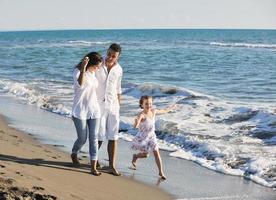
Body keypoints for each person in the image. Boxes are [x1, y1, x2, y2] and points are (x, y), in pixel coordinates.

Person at [71, 52, 103, 176]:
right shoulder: (78, 71)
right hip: (80, 110)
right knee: (82, 138)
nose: (98, 69)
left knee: (94, 138)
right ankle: (74, 152)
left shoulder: (93, 72)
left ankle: (93, 166)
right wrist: (84, 68)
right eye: (96, 66)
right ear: (90, 64)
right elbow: (80, 84)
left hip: (94, 110)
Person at [131, 95, 176, 180]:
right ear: (142, 105)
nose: (149, 105)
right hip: (143, 138)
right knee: (146, 155)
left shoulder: (153, 111)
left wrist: (172, 107)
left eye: (150, 103)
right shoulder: (142, 115)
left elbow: (164, 110)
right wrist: (136, 123)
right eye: (146, 104)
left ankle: (161, 172)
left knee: (156, 152)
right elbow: (136, 124)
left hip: (152, 136)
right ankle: (136, 156)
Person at [96, 43, 123, 176]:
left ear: (118, 57)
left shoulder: (119, 69)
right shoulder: (98, 65)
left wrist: (119, 103)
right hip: (99, 106)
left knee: (113, 136)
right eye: (109, 54)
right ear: (107, 51)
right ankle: (93, 161)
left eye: (114, 56)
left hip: (113, 107)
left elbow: (118, 88)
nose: (110, 57)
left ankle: (112, 166)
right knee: (99, 136)